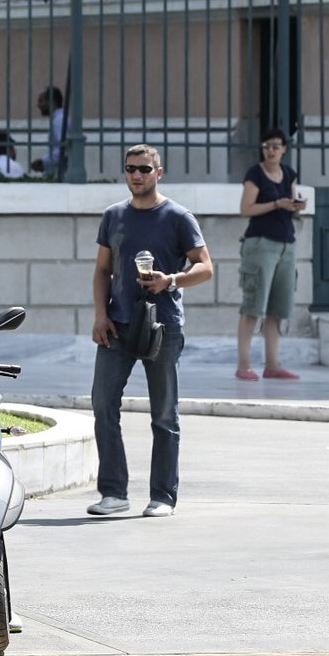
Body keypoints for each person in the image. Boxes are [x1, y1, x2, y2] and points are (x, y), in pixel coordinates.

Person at [87, 144, 213, 518]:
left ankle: (163, 496)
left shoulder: (177, 216)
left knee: (164, 413)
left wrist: (170, 280)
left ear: (159, 172)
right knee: (103, 404)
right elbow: (101, 271)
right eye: (130, 169)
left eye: (144, 168)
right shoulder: (114, 216)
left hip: (163, 326)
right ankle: (113, 493)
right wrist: (99, 314)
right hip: (118, 324)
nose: (136, 175)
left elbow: (205, 267)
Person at [235, 128, 307, 381]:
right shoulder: (255, 174)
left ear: (284, 148)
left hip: (286, 244)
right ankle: (243, 365)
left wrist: (297, 207)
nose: (272, 150)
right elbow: (246, 208)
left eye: (276, 146)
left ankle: (273, 364)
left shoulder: (288, 173)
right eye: (267, 146)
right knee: (253, 306)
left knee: (279, 307)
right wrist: (277, 203)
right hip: (260, 244)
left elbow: (292, 204)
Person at [30, 85, 66, 176]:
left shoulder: (58, 121)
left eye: (41, 101)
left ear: (52, 102)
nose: (38, 105)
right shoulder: (59, 119)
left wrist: (43, 162)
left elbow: (63, 148)